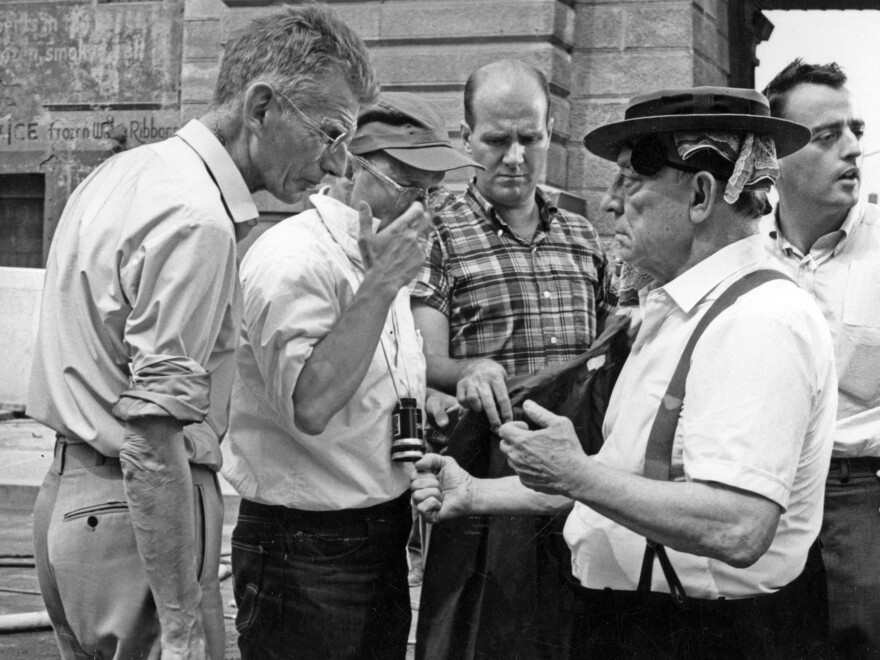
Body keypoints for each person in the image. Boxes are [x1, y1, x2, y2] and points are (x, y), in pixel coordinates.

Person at [413, 86, 839, 658]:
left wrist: (576, 475)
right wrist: (478, 493)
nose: (610, 203)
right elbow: (623, 481)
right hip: (649, 624)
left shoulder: (757, 321)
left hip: (706, 637)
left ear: (702, 194)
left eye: (629, 181)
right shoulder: (680, 310)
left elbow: (739, 526)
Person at [26, 6, 377, 658]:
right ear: (261, 106)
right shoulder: (197, 218)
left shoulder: (126, 173)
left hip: (72, 506)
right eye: (329, 133)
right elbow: (153, 437)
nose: (336, 165)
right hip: (137, 525)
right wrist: (183, 621)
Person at [220, 92, 481, 659]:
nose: (423, 208)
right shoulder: (295, 259)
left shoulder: (376, 255)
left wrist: (418, 402)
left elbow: (368, 376)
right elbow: (310, 404)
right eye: (409, 186)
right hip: (306, 548)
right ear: (349, 168)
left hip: (375, 531)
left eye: (433, 193)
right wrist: (384, 284)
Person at [410, 59, 616, 659]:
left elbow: (609, 340)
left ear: (551, 131)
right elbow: (424, 356)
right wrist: (467, 372)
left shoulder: (582, 234)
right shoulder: (438, 233)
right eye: (498, 140)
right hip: (485, 471)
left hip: (582, 469)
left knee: (582, 628)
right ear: (466, 137)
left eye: (531, 138)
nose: (516, 157)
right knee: (482, 634)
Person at [762, 59, 880, 659]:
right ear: (774, 152)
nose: (854, 149)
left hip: (862, 506)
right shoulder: (743, 254)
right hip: (759, 499)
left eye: (855, 131)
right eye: (828, 136)